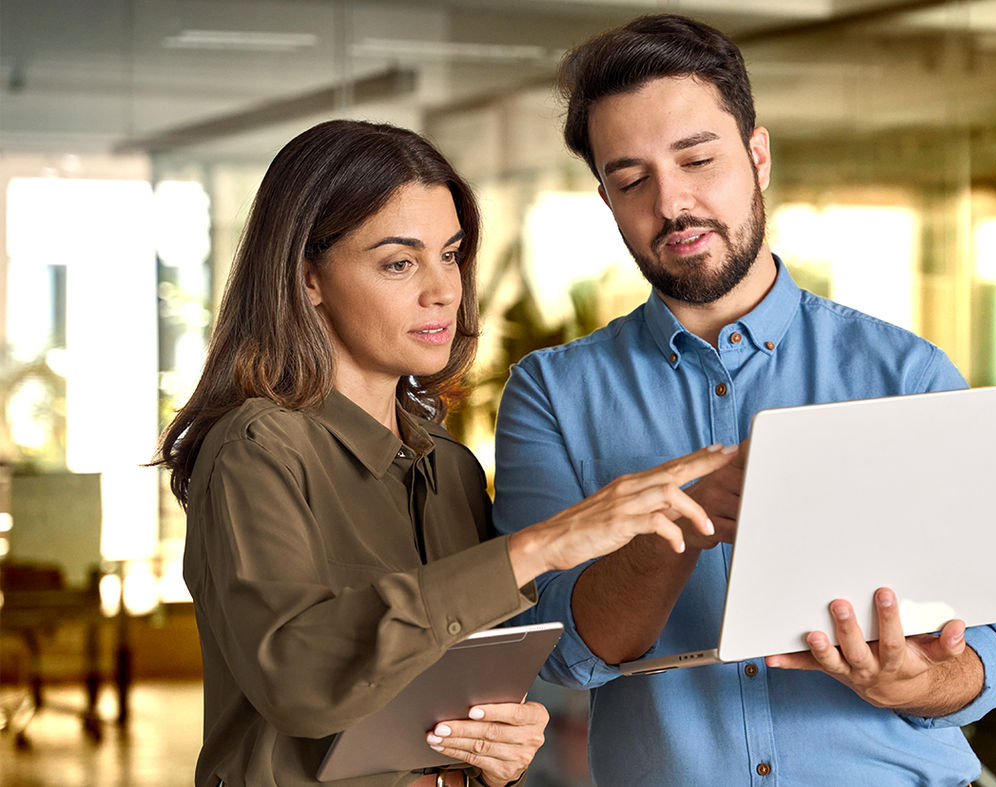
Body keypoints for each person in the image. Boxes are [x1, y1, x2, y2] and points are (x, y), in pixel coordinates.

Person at [492, 14, 996, 786]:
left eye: (698, 159)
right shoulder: (552, 392)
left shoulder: (908, 374)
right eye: (632, 179)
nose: (673, 203)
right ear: (606, 200)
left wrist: (917, 682)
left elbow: (989, 658)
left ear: (758, 156)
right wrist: (685, 518)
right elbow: (561, 653)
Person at [156, 119, 735, 787]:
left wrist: (499, 748)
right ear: (308, 276)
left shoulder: (451, 468)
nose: (443, 289)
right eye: (399, 262)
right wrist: (542, 545)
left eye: (451, 254)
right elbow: (300, 678)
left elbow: (444, 694)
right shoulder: (256, 447)